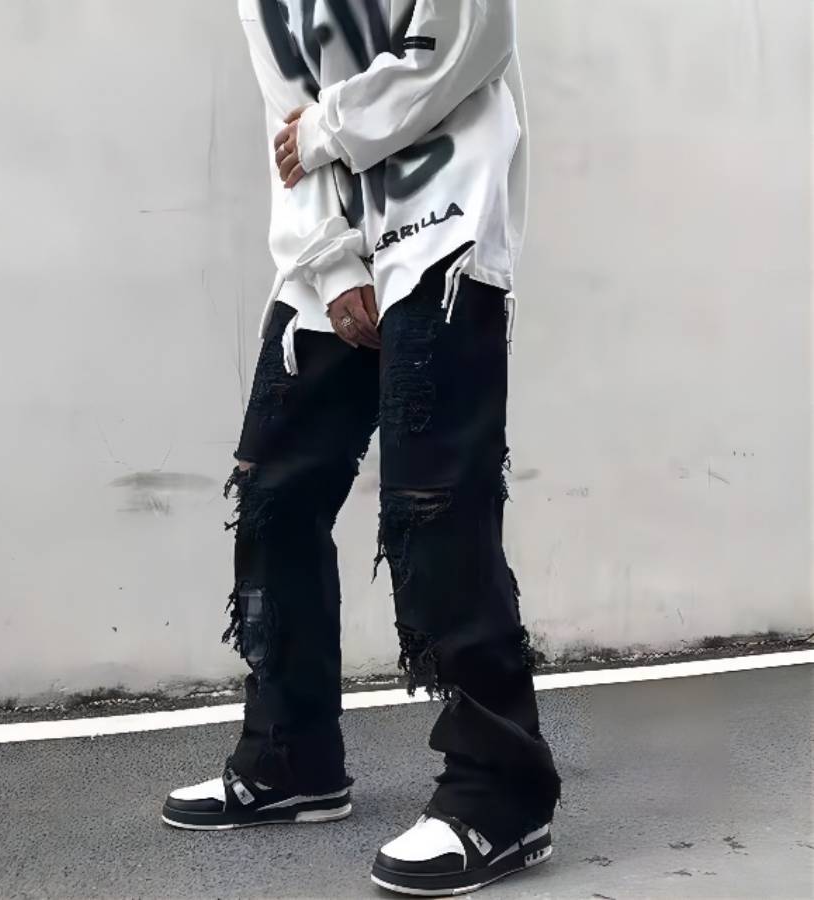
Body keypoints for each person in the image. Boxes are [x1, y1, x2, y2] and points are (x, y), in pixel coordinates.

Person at [162, 1, 561, 894]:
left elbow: (466, 46)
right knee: (274, 492)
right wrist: (334, 262)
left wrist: (329, 130)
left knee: (434, 503)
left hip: (447, 222)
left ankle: (502, 790)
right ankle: (291, 756)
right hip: (332, 256)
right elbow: (285, 123)